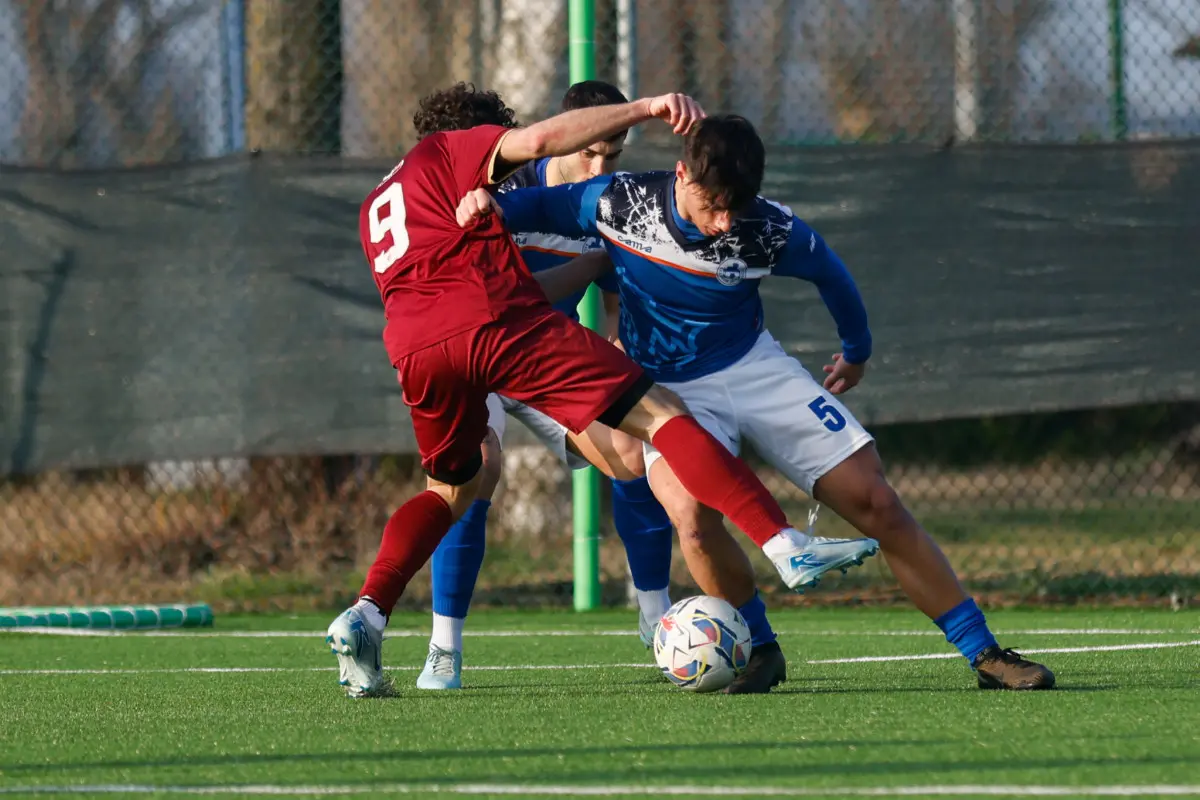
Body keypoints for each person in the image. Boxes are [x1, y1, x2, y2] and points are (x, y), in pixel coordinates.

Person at [458, 114, 1057, 691]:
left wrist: (857, 350)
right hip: (667, 390)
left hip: (754, 366)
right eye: (712, 205)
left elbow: (832, 274)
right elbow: (529, 206)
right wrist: (490, 204)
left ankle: (984, 652)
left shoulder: (768, 227)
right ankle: (762, 652)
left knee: (875, 500)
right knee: (692, 522)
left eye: (734, 208)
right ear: (682, 174)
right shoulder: (617, 202)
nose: (723, 223)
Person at [327, 85, 860, 698]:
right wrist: (644, 108)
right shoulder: (458, 151)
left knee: (451, 486)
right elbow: (539, 140)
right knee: (661, 414)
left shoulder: (378, 201)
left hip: (416, 350)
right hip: (496, 322)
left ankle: (369, 611)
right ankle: (782, 540)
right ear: (479, 136)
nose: (506, 172)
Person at [415, 80, 674, 691]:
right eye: (590, 150)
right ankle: (443, 647)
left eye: (613, 154)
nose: (600, 163)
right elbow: (513, 297)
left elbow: (613, 310)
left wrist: (617, 352)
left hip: (540, 361)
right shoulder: (503, 186)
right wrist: (592, 264)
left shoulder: (609, 202)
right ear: (566, 132)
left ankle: (657, 616)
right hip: (476, 354)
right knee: (475, 466)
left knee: (634, 452)